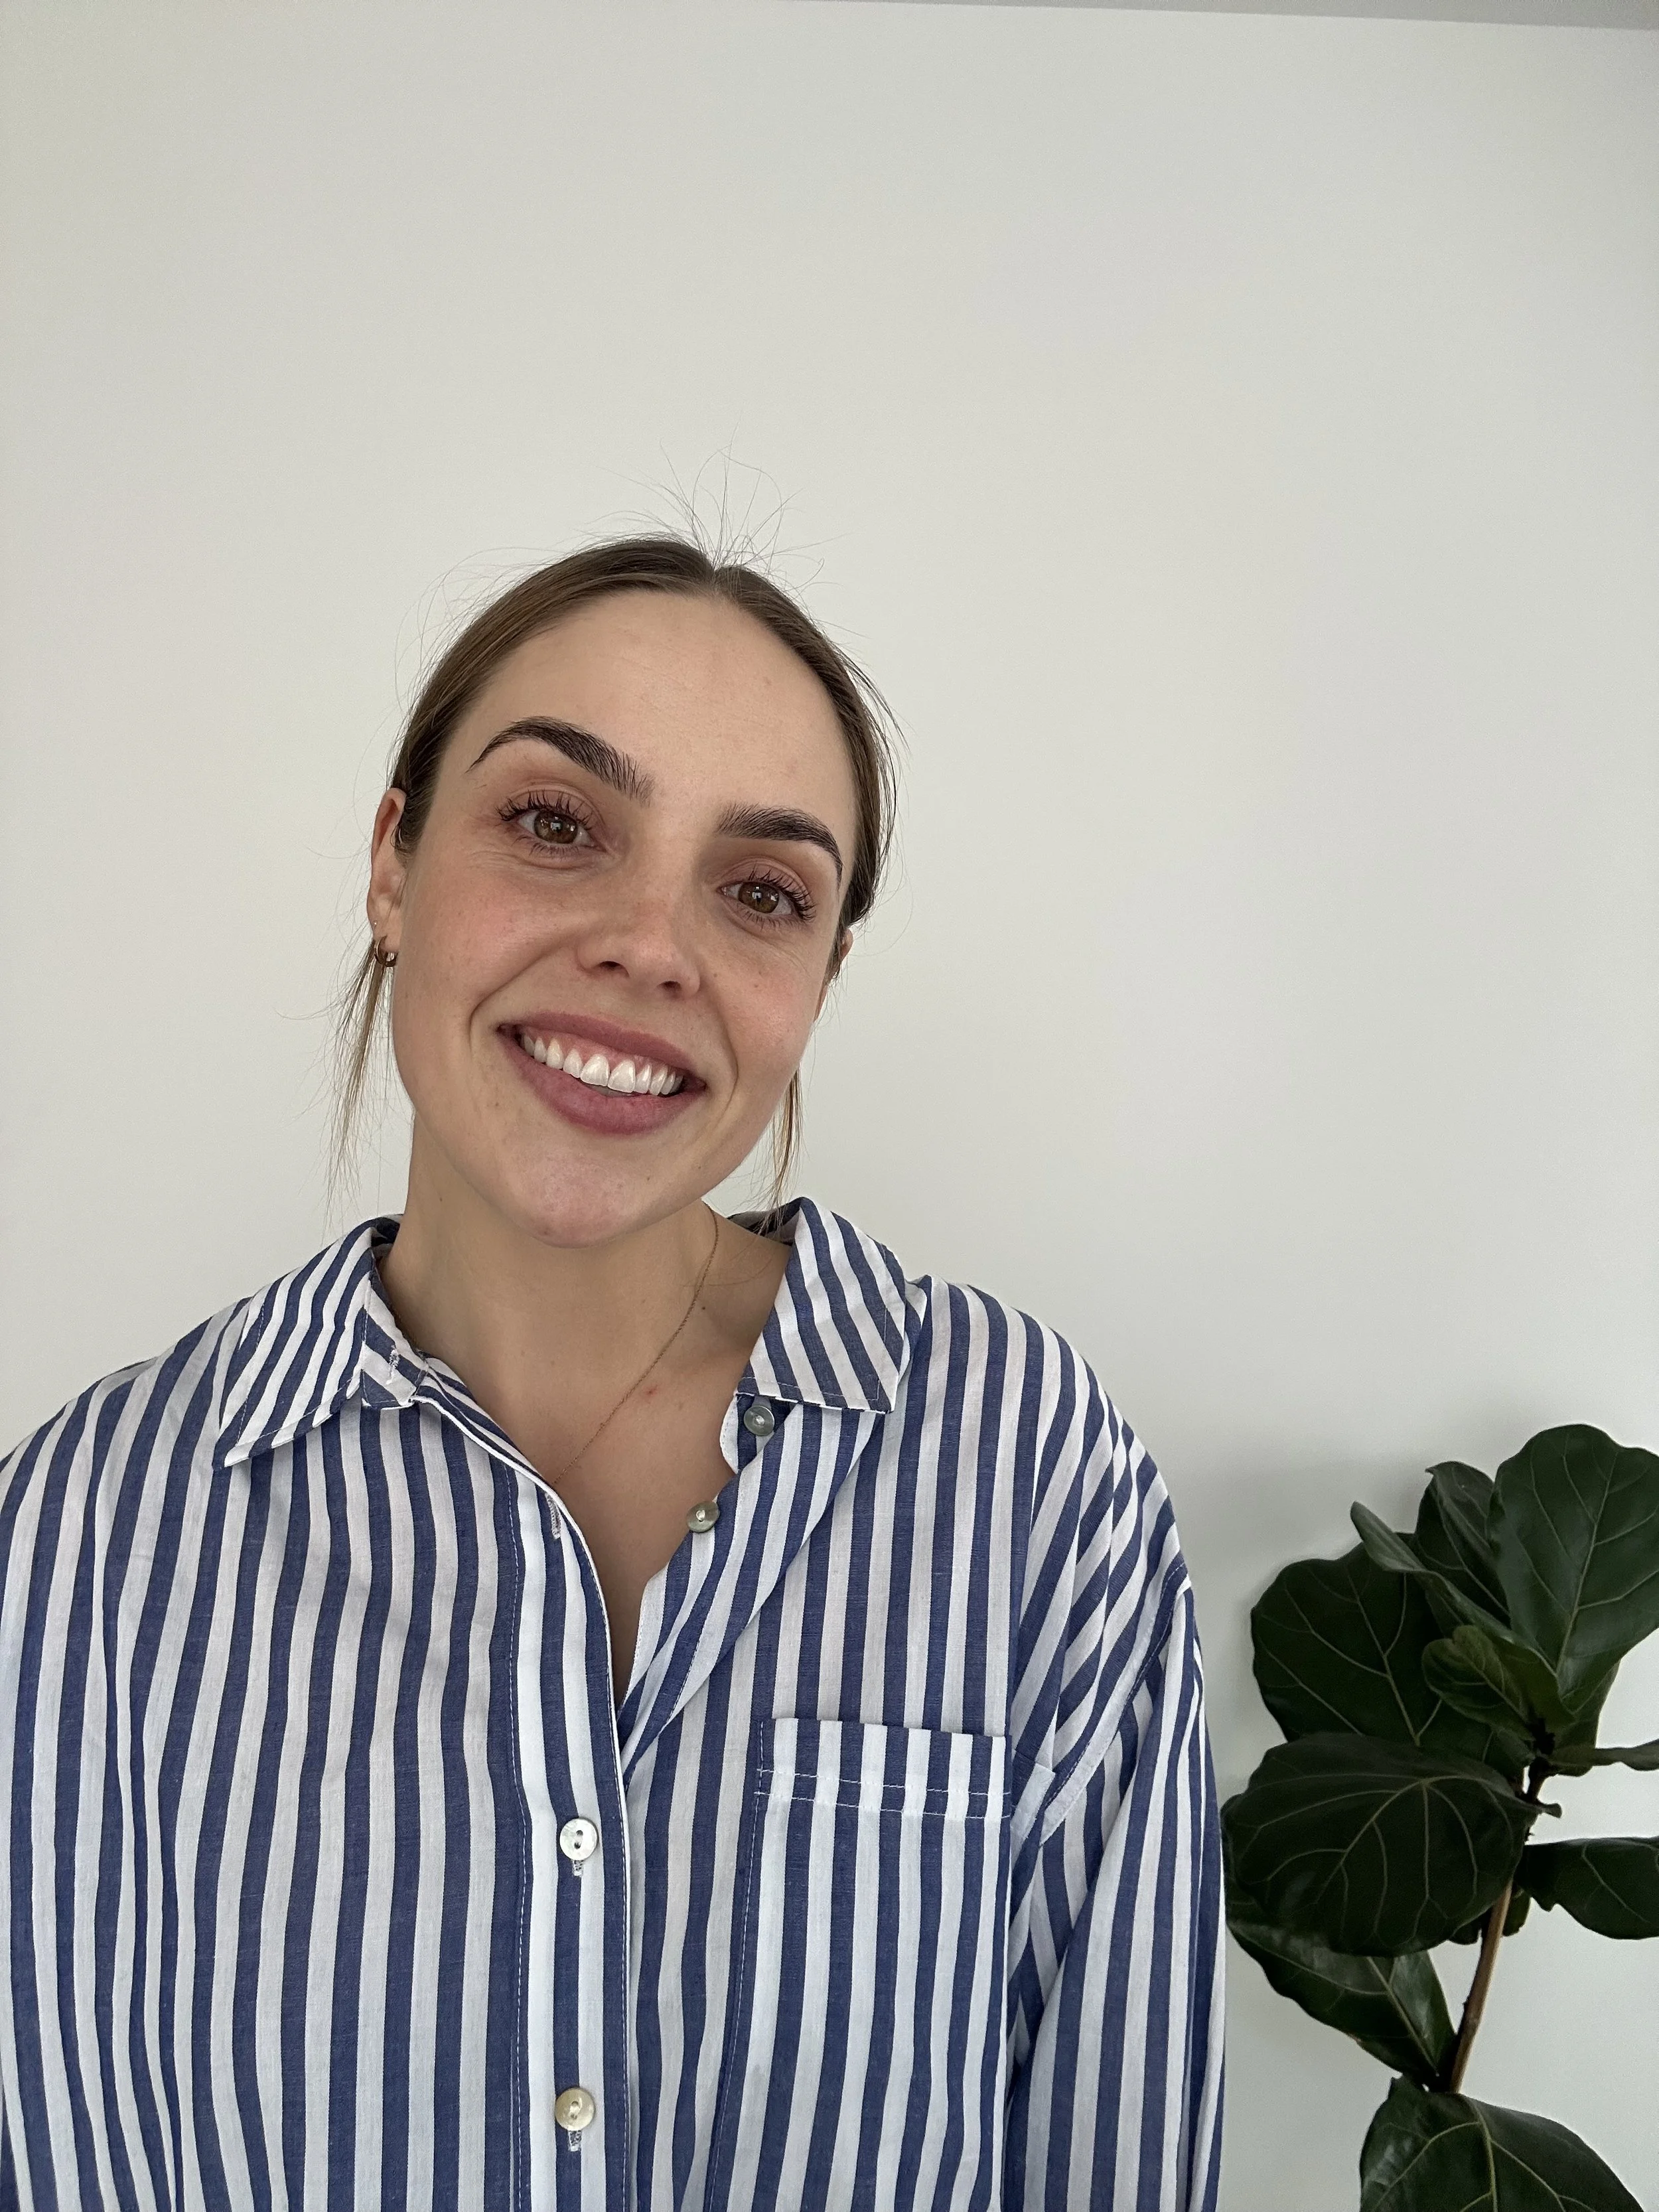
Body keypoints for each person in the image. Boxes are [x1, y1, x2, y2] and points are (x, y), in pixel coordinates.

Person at [0, 534, 1224, 2210]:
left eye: (762, 892)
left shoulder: (1025, 1477)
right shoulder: (78, 1543)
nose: (653, 947)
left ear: (818, 984)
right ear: (391, 860)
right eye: (557, 824)